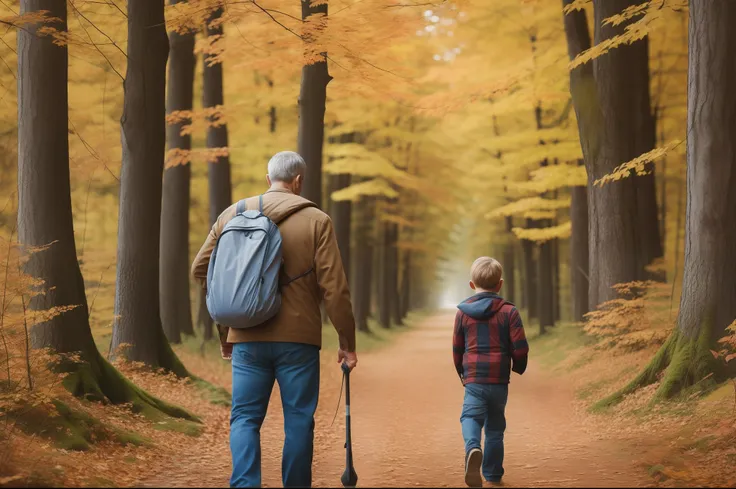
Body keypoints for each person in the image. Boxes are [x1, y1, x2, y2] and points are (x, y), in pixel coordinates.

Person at [191, 151, 358, 488]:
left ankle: (245, 484)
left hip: (247, 337)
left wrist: (229, 321)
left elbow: (200, 269)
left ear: (269, 180)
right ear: (298, 181)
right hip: (298, 340)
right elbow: (335, 289)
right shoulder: (317, 220)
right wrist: (347, 343)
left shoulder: (232, 214)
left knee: (245, 419)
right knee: (298, 420)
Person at [452, 257, 529, 487]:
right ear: (500, 284)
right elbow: (520, 346)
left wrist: (462, 372)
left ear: (472, 285)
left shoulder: (463, 313)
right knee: (495, 426)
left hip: (474, 378)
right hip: (498, 380)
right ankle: (493, 474)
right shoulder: (509, 312)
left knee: (470, 417)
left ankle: (473, 447)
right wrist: (519, 366)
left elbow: (457, 348)